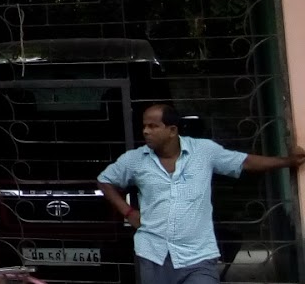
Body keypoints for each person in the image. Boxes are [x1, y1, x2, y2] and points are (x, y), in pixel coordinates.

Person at [98, 104, 305, 284]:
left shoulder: (204, 151)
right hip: (154, 256)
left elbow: (245, 162)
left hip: (198, 256)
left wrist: (287, 161)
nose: (145, 131)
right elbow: (105, 180)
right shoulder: (135, 160)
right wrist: (128, 212)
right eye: (144, 126)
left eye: (153, 126)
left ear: (172, 130)